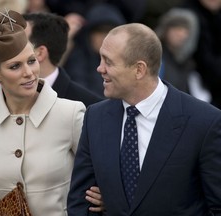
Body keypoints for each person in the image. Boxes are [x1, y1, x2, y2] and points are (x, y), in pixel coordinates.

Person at [0, 9, 103, 216]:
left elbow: (99, 175)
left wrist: (104, 198)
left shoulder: (71, 113)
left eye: (31, 61)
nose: (29, 73)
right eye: (15, 66)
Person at [67, 23, 221, 215]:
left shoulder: (204, 122)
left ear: (139, 70)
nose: (100, 68)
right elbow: (81, 202)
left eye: (108, 61)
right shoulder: (95, 118)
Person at [22, 12, 102, 107]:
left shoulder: (89, 106)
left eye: (18, 42)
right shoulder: (2, 93)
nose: (6, 47)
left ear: (40, 53)